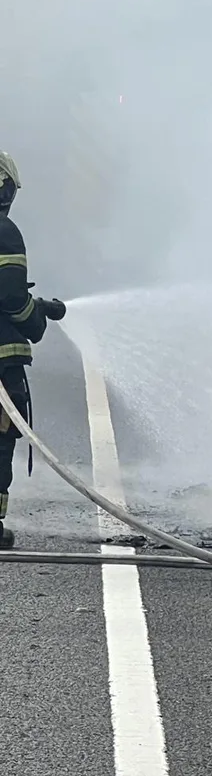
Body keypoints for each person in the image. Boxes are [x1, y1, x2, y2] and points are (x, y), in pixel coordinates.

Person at [0, 151, 66, 549]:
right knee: (1, 438)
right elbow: (10, 299)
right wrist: (37, 316)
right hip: (1, 360)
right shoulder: (5, 232)